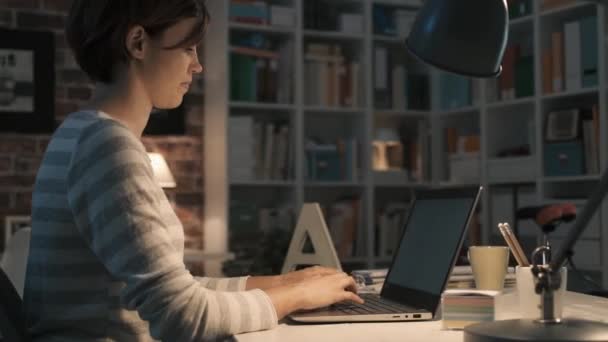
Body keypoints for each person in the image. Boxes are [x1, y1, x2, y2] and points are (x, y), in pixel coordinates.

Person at [23, 0, 363, 341]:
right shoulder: (109, 148)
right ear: (138, 43)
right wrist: (298, 298)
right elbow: (184, 317)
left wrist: (282, 284)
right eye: (188, 48)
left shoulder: (78, 132)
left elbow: (174, 292)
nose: (198, 66)